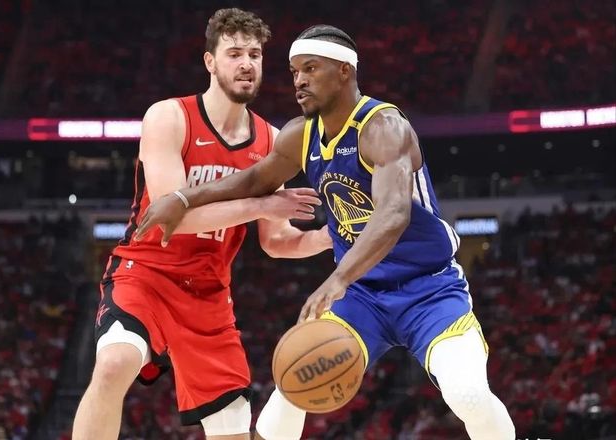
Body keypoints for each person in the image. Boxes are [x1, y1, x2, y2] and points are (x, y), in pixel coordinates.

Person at [135, 24, 517, 440]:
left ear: (344, 71)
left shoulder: (384, 127)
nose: (299, 80)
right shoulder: (301, 134)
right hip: (363, 296)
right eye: (295, 71)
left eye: (311, 68)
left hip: (428, 289)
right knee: (292, 385)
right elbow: (254, 180)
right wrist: (184, 197)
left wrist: (338, 278)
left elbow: (392, 216)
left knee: (467, 394)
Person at [72, 9, 332, 440]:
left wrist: (328, 238)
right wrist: (262, 204)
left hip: (210, 294)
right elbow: (173, 217)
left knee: (232, 429)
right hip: (147, 275)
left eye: (254, 54)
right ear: (210, 61)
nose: (246, 64)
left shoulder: (272, 140)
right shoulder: (169, 117)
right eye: (234, 53)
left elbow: (276, 240)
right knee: (114, 363)